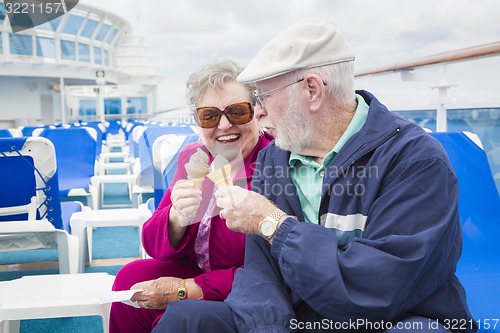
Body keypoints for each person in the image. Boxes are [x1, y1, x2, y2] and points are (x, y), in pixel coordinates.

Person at [152, 18, 477, 333]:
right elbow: (260, 276)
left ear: (311, 90)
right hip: (301, 318)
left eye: (263, 97)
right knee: (185, 321)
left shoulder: (414, 159)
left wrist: (274, 225)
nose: (259, 112)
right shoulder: (274, 158)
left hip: (392, 319)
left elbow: (378, 286)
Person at [109, 59, 273, 332]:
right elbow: (152, 241)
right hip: (198, 270)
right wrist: (175, 218)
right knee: (131, 279)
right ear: (197, 120)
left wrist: (188, 289)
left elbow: (274, 268)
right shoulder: (193, 159)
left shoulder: (276, 162)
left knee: (178, 314)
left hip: (249, 286)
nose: (223, 125)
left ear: (256, 112)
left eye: (237, 111)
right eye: (209, 115)